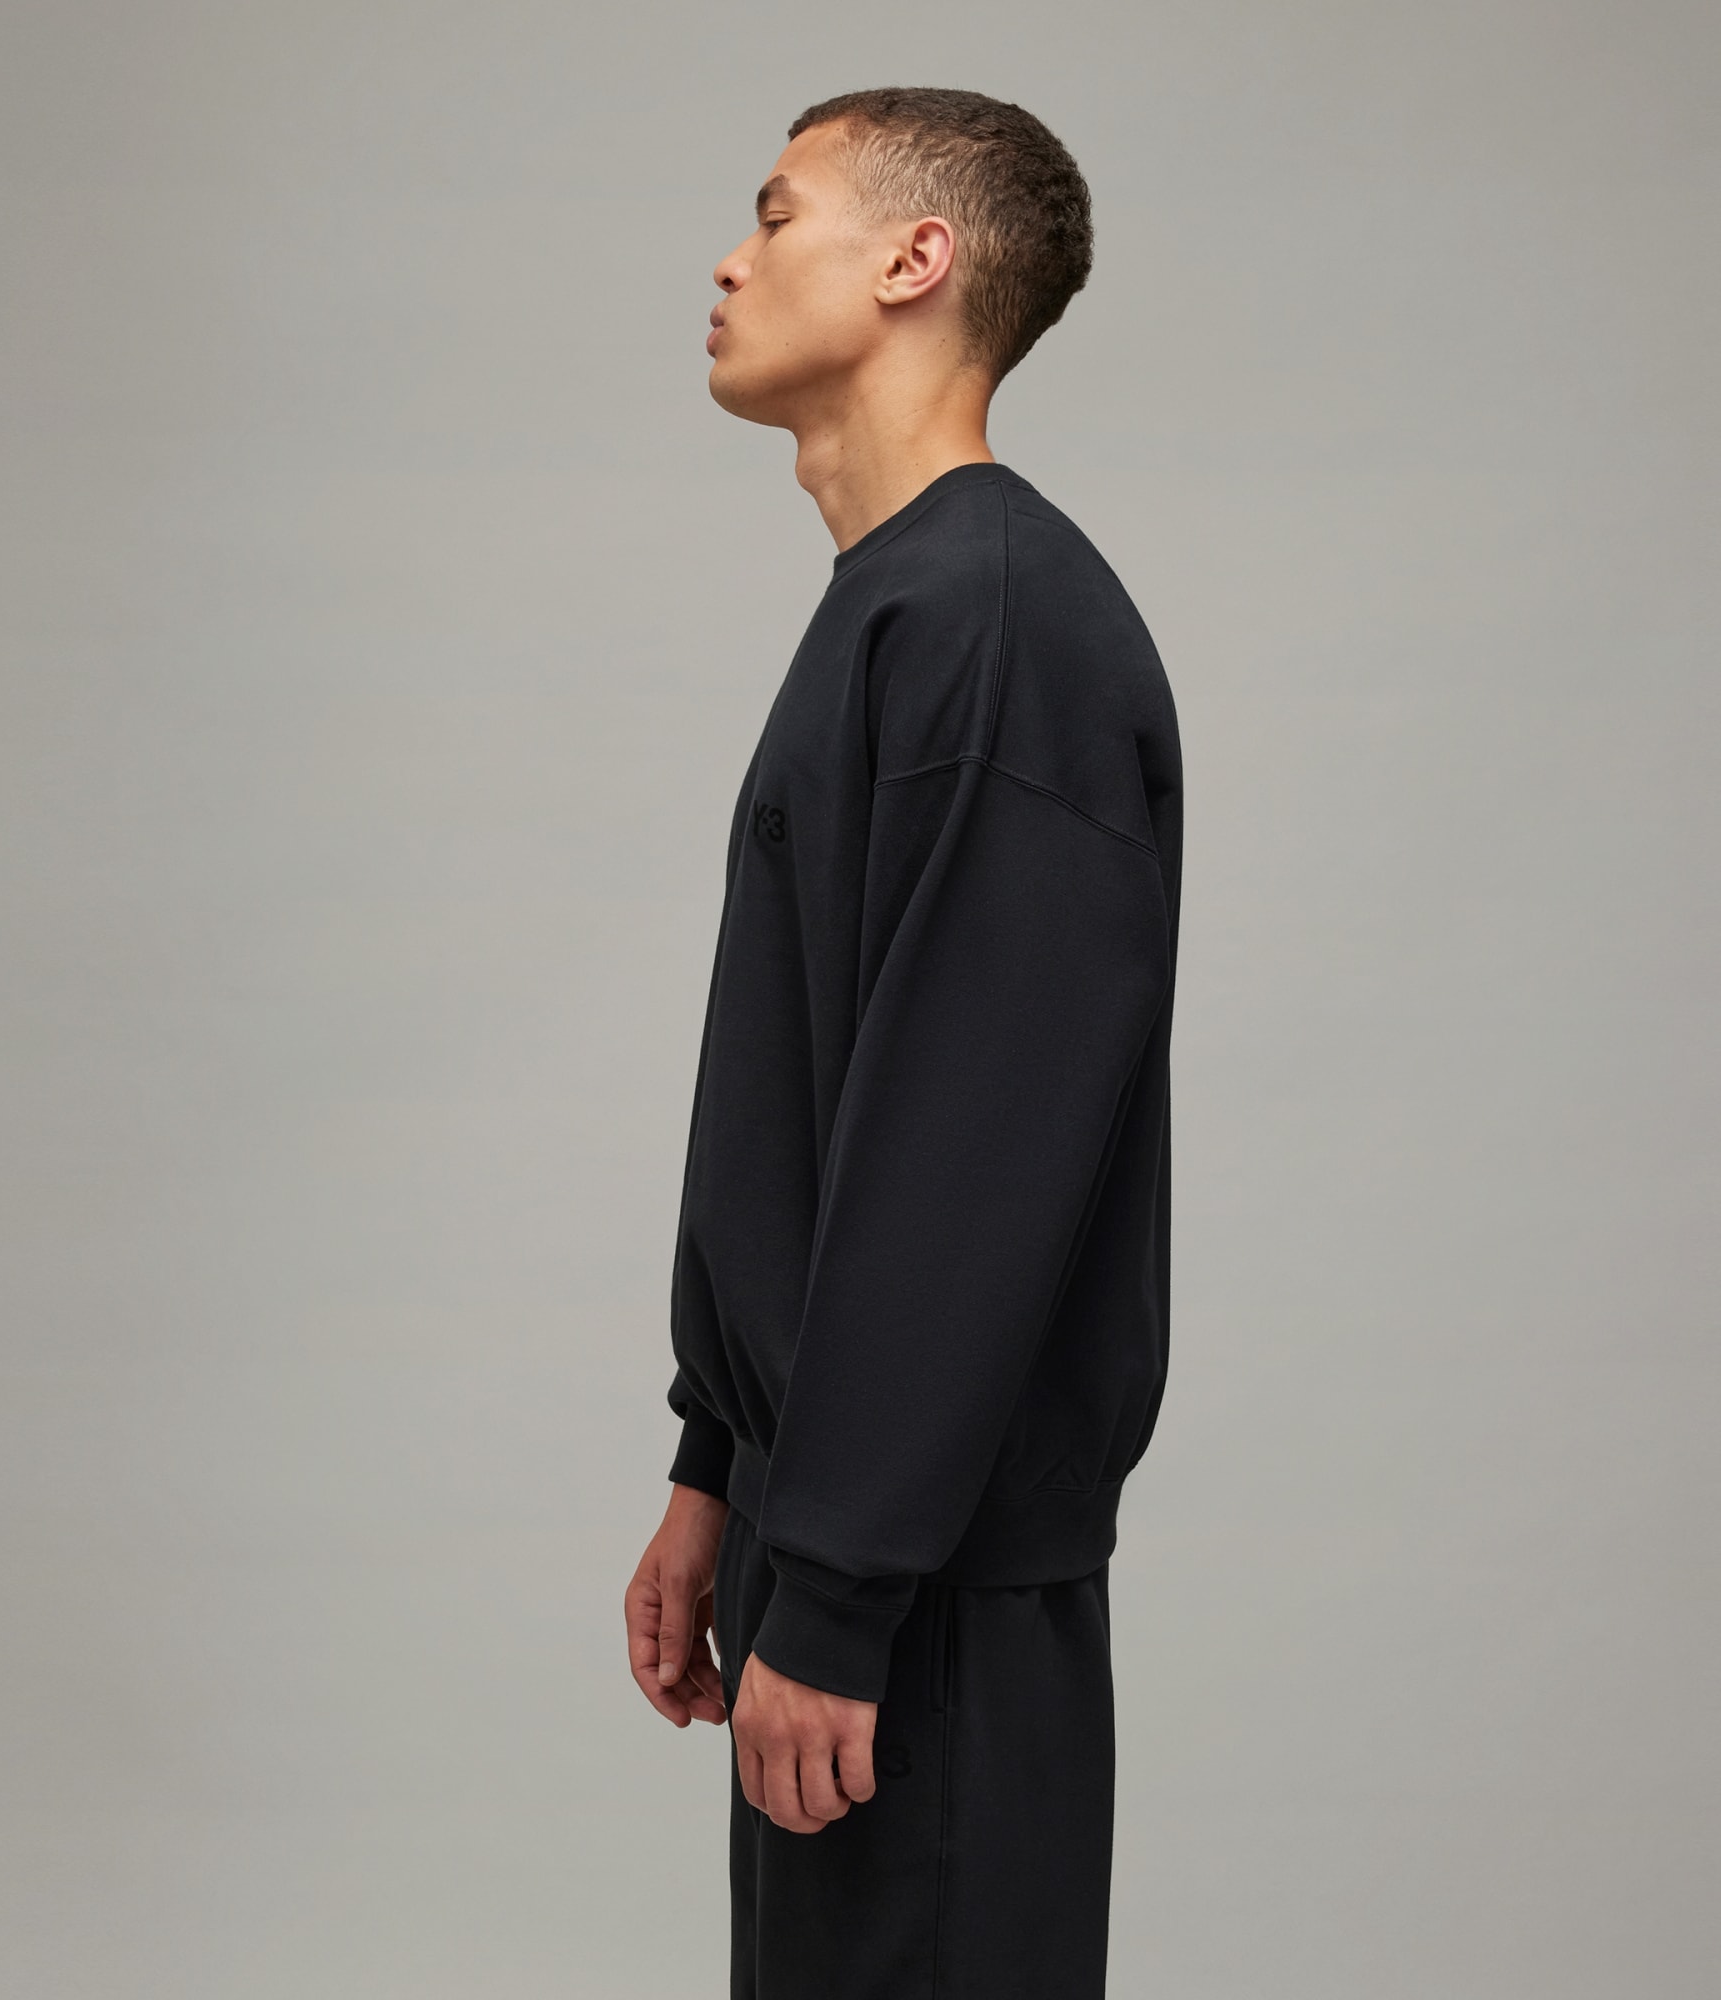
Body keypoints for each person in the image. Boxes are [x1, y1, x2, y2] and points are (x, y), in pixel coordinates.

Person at [624, 85, 1184, 1997]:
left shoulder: (998, 627)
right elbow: (818, 1093)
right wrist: (719, 1465)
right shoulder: (903, 610)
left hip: (920, 1588)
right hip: (838, 1532)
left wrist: (847, 1587)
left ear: (915, 259)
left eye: (777, 214)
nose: (731, 259)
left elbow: (970, 1157)